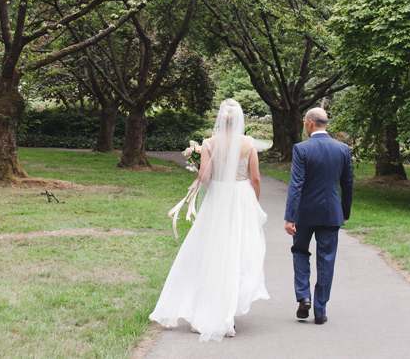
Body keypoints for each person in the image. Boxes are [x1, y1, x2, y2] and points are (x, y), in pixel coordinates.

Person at [150, 99, 269, 342]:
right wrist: (254, 202)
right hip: (240, 199)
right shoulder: (249, 143)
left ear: (220, 117)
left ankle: (206, 310)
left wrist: (196, 166)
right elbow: (255, 178)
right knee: (238, 252)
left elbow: (205, 179)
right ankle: (227, 311)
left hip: (218, 198)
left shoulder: (209, 143)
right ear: (238, 119)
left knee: (212, 251)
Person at [283, 107, 354, 325]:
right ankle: (320, 310)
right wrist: (344, 211)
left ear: (309, 123)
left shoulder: (301, 149)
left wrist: (290, 216)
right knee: (326, 259)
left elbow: (296, 184)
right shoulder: (342, 149)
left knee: (300, 251)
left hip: (304, 213)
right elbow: (348, 183)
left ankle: (304, 296)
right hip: (332, 213)